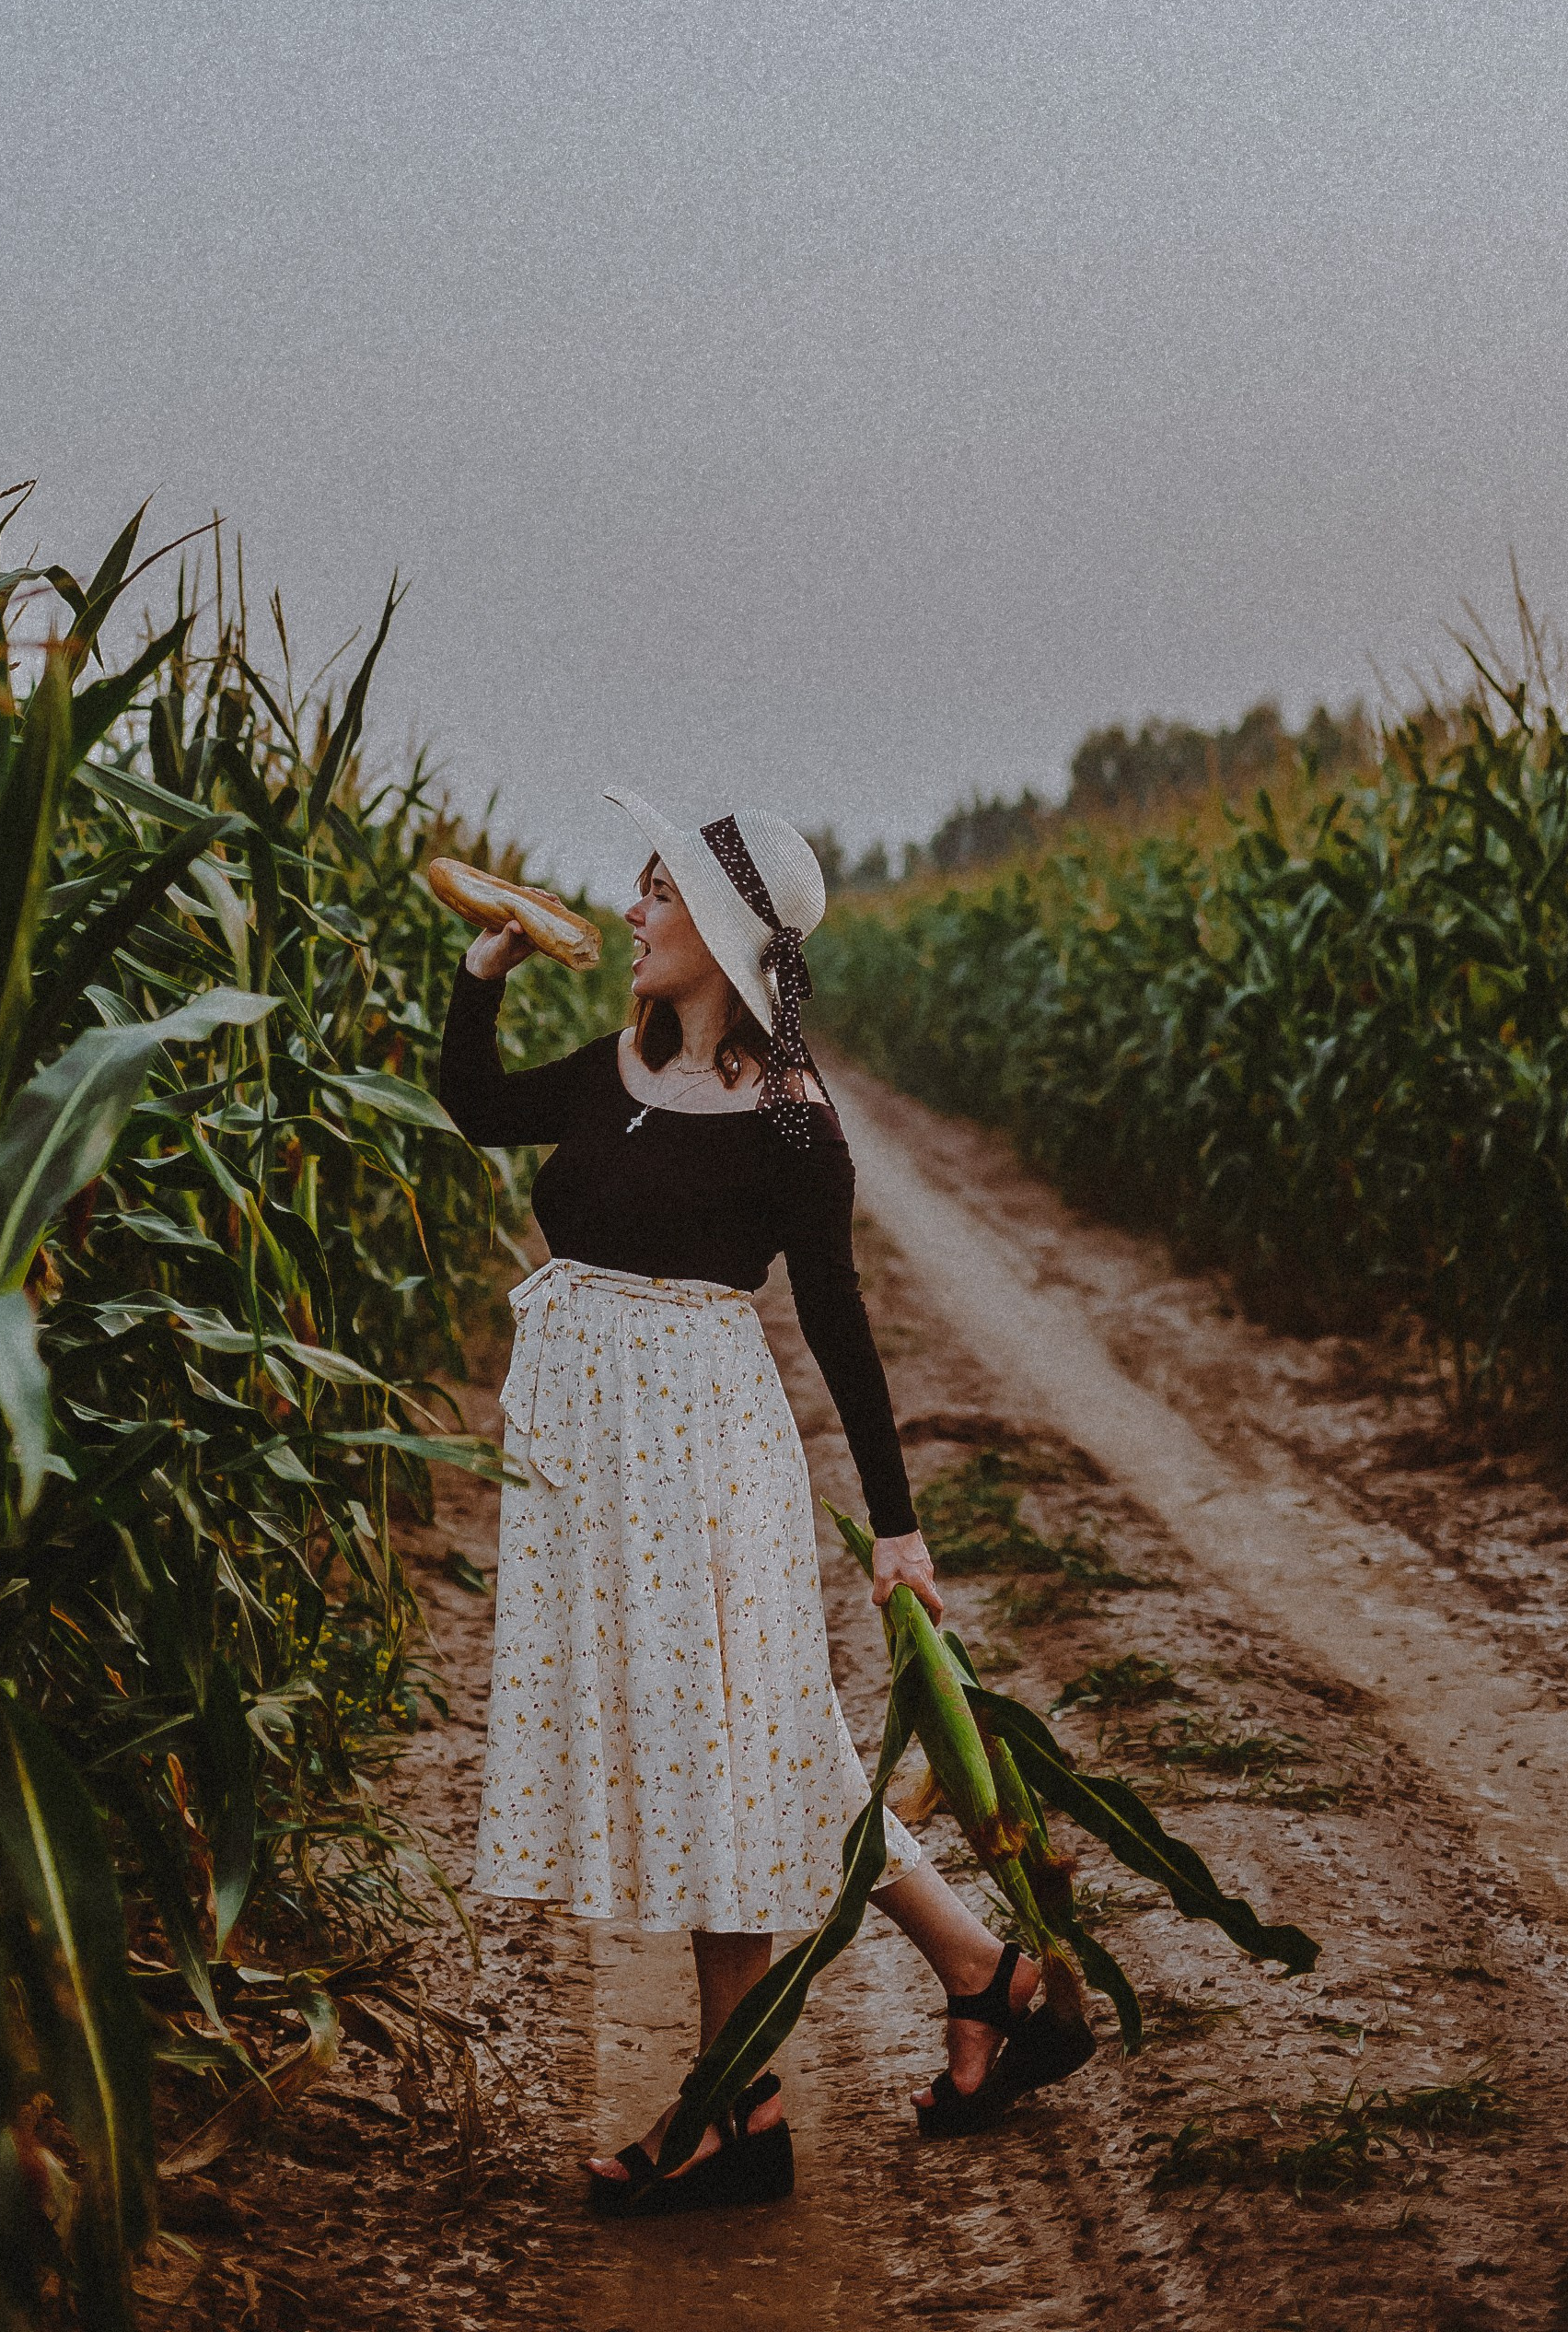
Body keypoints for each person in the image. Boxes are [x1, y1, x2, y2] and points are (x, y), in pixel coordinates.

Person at [436, 788, 1094, 2219]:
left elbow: (843, 1328)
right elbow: (473, 1108)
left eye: (659, 891)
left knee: (718, 1770)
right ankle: (988, 1979)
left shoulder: (792, 1124)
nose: (629, 910)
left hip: (699, 1466)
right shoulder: (608, 1068)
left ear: (725, 937)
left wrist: (898, 1529)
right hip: (594, 1467)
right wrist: (479, 969)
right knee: (766, 1760)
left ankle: (742, 2117)